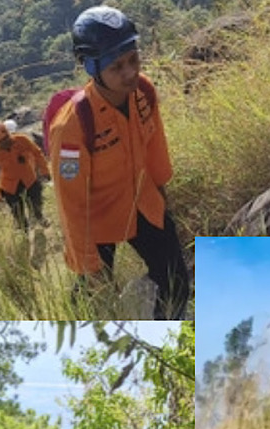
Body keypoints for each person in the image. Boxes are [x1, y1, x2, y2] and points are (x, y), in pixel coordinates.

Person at [47, 4, 192, 320]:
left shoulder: (144, 92)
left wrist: (162, 202)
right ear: (91, 67)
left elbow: (155, 149)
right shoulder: (71, 126)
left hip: (143, 203)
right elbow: (71, 204)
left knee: (177, 282)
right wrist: (90, 265)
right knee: (93, 301)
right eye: (116, 67)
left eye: (133, 60)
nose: (130, 73)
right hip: (95, 222)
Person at [0, 120, 51, 231]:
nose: (3, 143)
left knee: (36, 203)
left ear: (7, 133)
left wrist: (45, 171)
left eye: (4, 139)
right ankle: (23, 229)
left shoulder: (22, 140)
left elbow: (37, 153)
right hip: (9, 186)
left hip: (29, 179)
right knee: (18, 213)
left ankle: (39, 218)